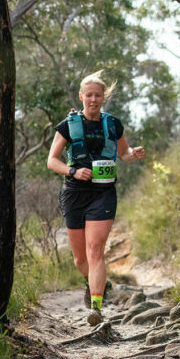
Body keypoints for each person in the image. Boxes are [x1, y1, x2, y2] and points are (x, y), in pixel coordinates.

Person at [46, 70, 144, 325]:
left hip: (103, 193)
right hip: (74, 193)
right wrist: (73, 171)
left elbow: (124, 154)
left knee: (95, 251)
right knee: (80, 259)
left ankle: (97, 309)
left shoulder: (113, 124)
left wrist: (135, 153)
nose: (93, 99)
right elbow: (51, 161)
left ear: (103, 97)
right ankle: (94, 284)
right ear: (81, 96)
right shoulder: (68, 125)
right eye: (88, 95)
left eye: (98, 95)